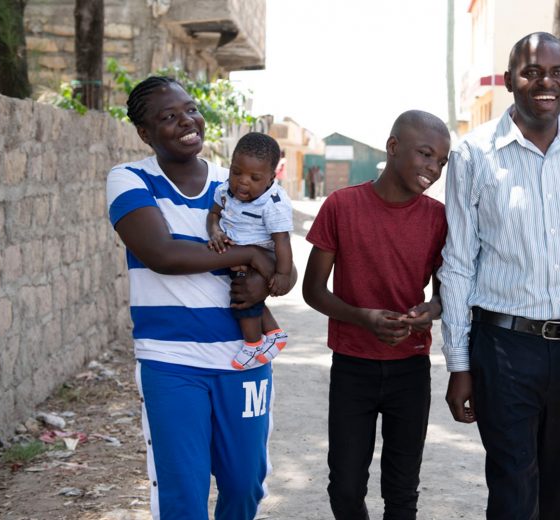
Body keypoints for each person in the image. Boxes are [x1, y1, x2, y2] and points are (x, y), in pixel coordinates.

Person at [438, 32, 560, 519]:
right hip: (502, 347)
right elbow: (456, 264)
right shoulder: (473, 154)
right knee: (513, 486)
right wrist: (459, 364)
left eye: (557, 72)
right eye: (532, 71)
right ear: (508, 81)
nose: (546, 82)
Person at [106, 76, 292, 520]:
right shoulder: (129, 179)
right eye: (168, 117)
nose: (187, 121)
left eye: (190, 109)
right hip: (172, 362)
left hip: (242, 360)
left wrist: (266, 278)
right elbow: (161, 254)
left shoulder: (244, 180)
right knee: (183, 494)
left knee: (245, 486)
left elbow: (282, 267)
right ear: (145, 134)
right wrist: (248, 254)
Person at [302, 110, 450, 519]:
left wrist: (428, 312)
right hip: (353, 367)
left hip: (410, 369)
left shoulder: (438, 218)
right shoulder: (341, 205)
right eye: (424, 155)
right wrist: (363, 317)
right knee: (346, 487)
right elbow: (313, 290)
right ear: (393, 146)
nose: (433, 169)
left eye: (441, 161)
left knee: (402, 492)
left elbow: (444, 296)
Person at [207, 132, 294, 369]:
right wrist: (215, 232)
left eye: (254, 177)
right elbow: (213, 214)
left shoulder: (272, 204)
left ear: (270, 178)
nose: (243, 182)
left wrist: (283, 274)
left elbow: (282, 241)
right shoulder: (225, 191)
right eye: (236, 172)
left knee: (243, 300)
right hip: (239, 255)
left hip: (263, 258)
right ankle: (274, 333)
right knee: (248, 297)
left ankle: (253, 343)